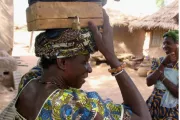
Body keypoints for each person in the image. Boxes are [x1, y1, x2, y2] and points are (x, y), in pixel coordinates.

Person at [14, 10, 151, 120]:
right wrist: (111, 57)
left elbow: (48, 55)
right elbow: (142, 117)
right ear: (62, 62)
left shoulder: (28, 80)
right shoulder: (77, 106)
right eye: (85, 62)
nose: (90, 69)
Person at [146, 30, 179, 120]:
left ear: (177, 43)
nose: (164, 46)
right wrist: (163, 64)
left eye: (168, 43)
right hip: (154, 103)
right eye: (163, 44)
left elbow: (177, 93)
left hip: (172, 109)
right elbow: (149, 82)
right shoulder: (158, 61)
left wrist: (161, 76)